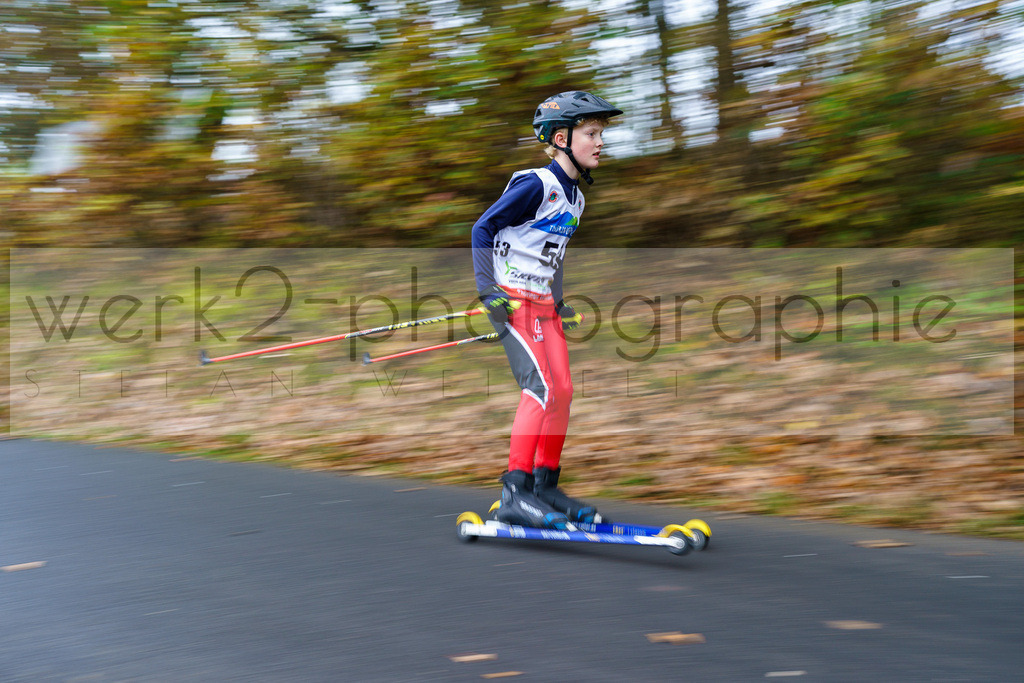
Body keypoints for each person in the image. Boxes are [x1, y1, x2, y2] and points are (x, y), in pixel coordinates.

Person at [470, 91, 622, 529]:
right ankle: (514, 492)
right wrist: (487, 290)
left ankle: (544, 486)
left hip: (543, 305)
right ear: (561, 138)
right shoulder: (536, 184)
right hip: (513, 300)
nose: (599, 142)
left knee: (563, 391)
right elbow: (483, 228)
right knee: (539, 389)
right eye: (591, 133)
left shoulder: (576, 200)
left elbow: (552, 254)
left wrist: (559, 301)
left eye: (600, 134)